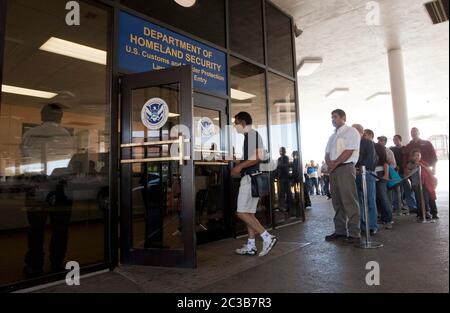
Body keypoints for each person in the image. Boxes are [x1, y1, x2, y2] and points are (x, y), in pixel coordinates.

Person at [21, 103, 75, 277]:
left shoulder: (29, 134)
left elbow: (24, 159)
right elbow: (70, 161)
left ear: (41, 115)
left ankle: (34, 265)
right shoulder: (66, 135)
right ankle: (57, 264)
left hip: (36, 184)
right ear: (59, 117)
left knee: (36, 227)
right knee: (60, 228)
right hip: (60, 185)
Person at [232, 112, 277, 257]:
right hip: (252, 178)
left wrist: (239, 167)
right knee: (249, 213)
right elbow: (251, 158)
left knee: (241, 212)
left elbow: (258, 156)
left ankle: (267, 237)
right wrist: (236, 162)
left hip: (249, 179)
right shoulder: (249, 137)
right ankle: (251, 245)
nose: (235, 125)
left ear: (243, 122)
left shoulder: (252, 134)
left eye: (236, 122)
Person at [324, 109, 361, 245]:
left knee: (349, 201)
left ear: (343, 118)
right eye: (331, 117)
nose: (333, 119)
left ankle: (354, 233)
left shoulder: (351, 131)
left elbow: (349, 150)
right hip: (334, 170)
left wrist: (335, 164)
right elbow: (327, 154)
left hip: (345, 168)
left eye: (335, 117)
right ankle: (340, 231)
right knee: (337, 202)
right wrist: (330, 164)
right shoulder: (332, 136)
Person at [403, 128, 439, 219]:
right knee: (418, 196)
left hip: (427, 172)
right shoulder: (408, 146)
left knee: (430, 193)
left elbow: (434, 157)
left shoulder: (427, 143)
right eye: (412, 132)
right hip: (415, 174)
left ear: (419, 132)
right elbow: (405, 160)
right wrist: (406, 171)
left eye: (415, 132)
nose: (413, 133)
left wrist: (433, 169)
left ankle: (433, 212)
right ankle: (422, 213)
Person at [364, 130, 394, 229]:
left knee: (383, 197)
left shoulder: (378, 147)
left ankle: (389, 219)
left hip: (380, 173)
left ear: (371, 136)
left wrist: (386, 174)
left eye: (365, 134)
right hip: (369, 173)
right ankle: (380, 217)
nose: (363, 136)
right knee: (374, 197)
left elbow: (385, 162)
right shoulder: (363, 146)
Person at [353, 124, 378, 235]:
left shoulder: (368, 143)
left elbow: (370, 159)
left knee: (370, 201)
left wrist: (359, 168)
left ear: (361, 132)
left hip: (367, 174)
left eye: (354, 131)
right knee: (359, 201)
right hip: (355, 174)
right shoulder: (352, 144)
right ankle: (363, 225)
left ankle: (372, 226)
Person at [405, 150, 438, 222]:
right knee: (418, 199)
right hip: (416, 184)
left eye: (418, 155)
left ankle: (427, 213)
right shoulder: (410, 164)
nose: (416, 157)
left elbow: (430, 171)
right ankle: (420, 214)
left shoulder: (424, 163)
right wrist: (415, 167)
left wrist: (422, 166)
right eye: (415, 155)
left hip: (424, 184)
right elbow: (407, 173)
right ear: (412, 157)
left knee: (425, 199)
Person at [390, 135, 417, 214]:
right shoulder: (392, 149)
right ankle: (397, 207)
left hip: (405, 172)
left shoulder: (405, 149)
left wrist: (407, 169)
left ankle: (412, 206)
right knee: (397, 190)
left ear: (400, 140)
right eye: (394, 139)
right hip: (396, 172)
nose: (395, 141)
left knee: (408, 189)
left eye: (396, 139)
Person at [277, 147, 293, 212]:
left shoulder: (286, 158)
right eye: (280, 151)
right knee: (282, 193)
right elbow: (280, 166)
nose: (281, 152)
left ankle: (289, 207)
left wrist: (280, 166)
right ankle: (283, 207)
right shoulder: (279, 159)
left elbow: (284, 165)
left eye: (282, 151)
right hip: (281, 177)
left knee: (288, 193)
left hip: (286, 177)